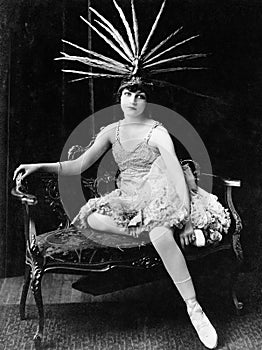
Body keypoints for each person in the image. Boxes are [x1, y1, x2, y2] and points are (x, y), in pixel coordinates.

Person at [13, 79, 219, 349]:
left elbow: (177, 178)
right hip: (130, 199)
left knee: (159, 233)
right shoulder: (112, 131)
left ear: (148, 101)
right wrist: (39, 165)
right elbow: (78, 164)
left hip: (162, 192)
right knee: (90, 217)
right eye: (127, 93)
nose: (133, 100)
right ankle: (156, 231)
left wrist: (188, 220)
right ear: (120, 97)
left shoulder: (157, 132)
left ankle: (194, 308)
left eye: (140, 95)